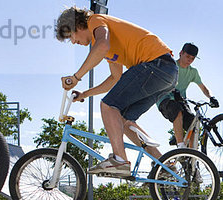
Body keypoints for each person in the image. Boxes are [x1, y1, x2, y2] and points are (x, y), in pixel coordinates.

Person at [56, 6, 178, 176]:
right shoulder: (109, 48)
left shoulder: (95, 21)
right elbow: (115, 78)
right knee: (123, 121)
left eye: (71, 37)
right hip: (165, 74)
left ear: (77, 25)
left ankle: (120, 160)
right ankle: (164, 165)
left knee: (108, 106)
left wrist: (75, 77)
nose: (74, 42)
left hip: (156, 66)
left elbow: (102, 45)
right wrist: (84, 94)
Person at [157, 43, 218, 148]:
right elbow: (159, 81)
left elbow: (203, 88)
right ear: (181, 53)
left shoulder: (193, 72)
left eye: (192, 58)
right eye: (187, 56)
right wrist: (171, 89)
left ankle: (192, 154)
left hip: (181, 101)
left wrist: (211, 97)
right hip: (165, 99)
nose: (189, 60)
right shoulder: (171, 65)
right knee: (177, 110)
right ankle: (180, 146)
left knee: (193, 123)